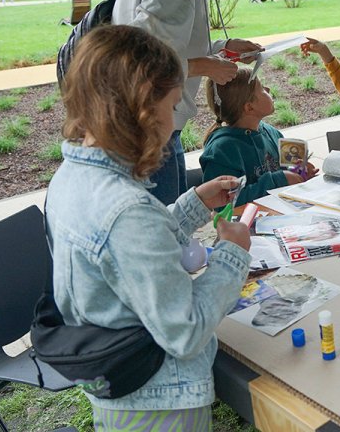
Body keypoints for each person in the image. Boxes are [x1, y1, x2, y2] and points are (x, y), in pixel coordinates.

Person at [45, 25, 252, 429]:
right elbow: (186, 330)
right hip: (160, 403)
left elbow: (127, 257)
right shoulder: (126, 211)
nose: (175, 120)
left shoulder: (70, 178)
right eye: (172, 105)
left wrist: (194, 204)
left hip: (119, 381)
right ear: (141, 109)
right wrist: (232, 255)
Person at [111, 0, 266, 206]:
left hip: (156, 128)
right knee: (165, 237)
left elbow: (168, 46)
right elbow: (138, 63)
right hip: (149, 131)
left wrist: (223, 47)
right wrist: (206, 66)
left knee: (173, 225)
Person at [200, 69, 318, 207]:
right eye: (261, 88)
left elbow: (288, 169)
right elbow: (224, 204)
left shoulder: (271, 132)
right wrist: (277, 180)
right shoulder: (222, 151)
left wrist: (300, 171)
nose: (268, 89)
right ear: (249, 108)